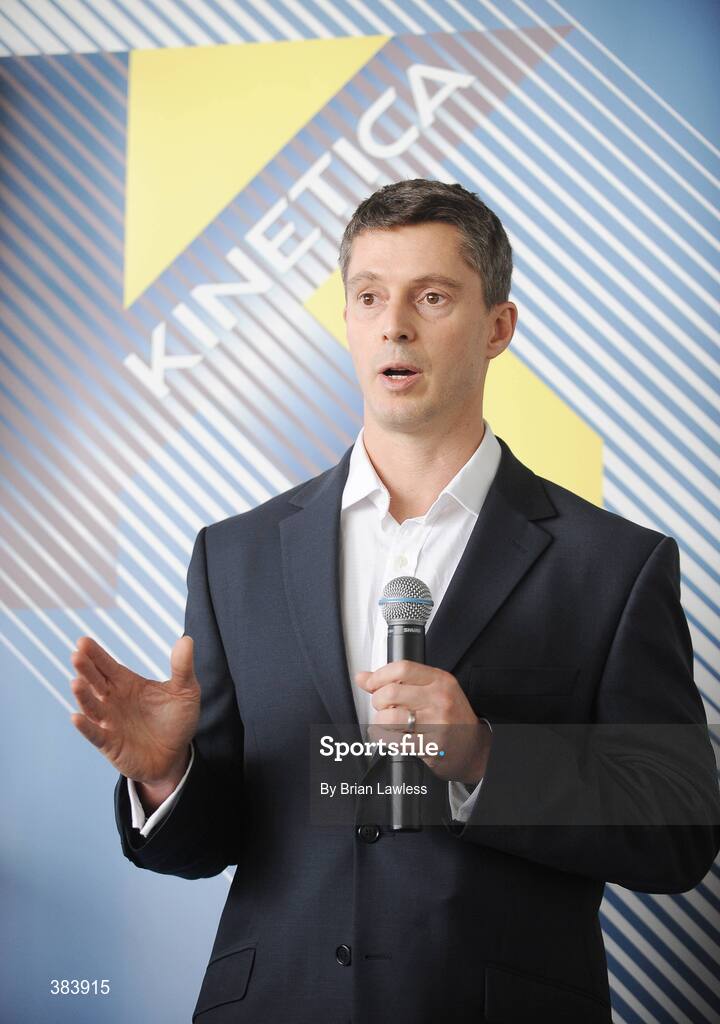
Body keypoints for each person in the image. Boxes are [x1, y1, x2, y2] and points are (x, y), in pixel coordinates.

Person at [69, 180, 720, 1024]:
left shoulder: (614, 564)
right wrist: (167, 777)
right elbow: (220, 840)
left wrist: (487, 759)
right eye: (369, 296)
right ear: (346, 320)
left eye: (433, 297)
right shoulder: (234, 555)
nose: (394, 324)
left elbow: (677, 830)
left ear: (498, 329)